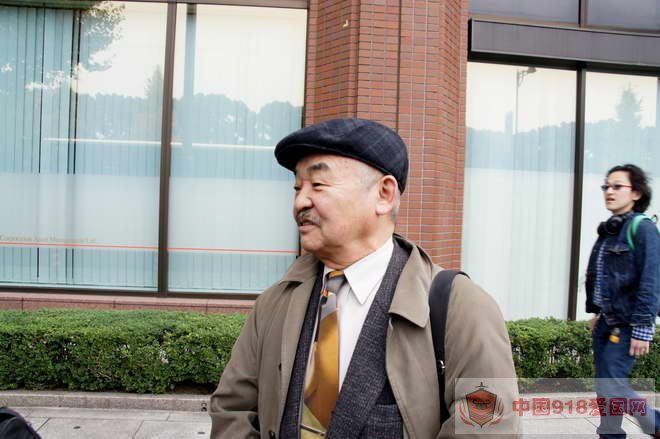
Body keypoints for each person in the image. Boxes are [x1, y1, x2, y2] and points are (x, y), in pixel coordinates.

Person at [210, 118, 520, 438]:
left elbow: (488, 427)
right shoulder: (275, 303)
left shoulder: (460, 306)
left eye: (318, 185)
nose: (300, 202)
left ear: (384, 194)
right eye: (297, 188)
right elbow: (233, 408)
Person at [586, 164, 660, 438]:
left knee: (612, 382)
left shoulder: (643, 229)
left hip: (628, 323)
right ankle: (610, 434)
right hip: (607, 321)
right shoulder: (610, 230)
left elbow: (651, 280)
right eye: (606, 186)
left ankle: (655, 424)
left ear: (636, 193)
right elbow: (602, 276)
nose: (609, 191)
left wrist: (643, 329)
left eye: (617, 186)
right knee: (604, 385)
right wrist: (597, 311)